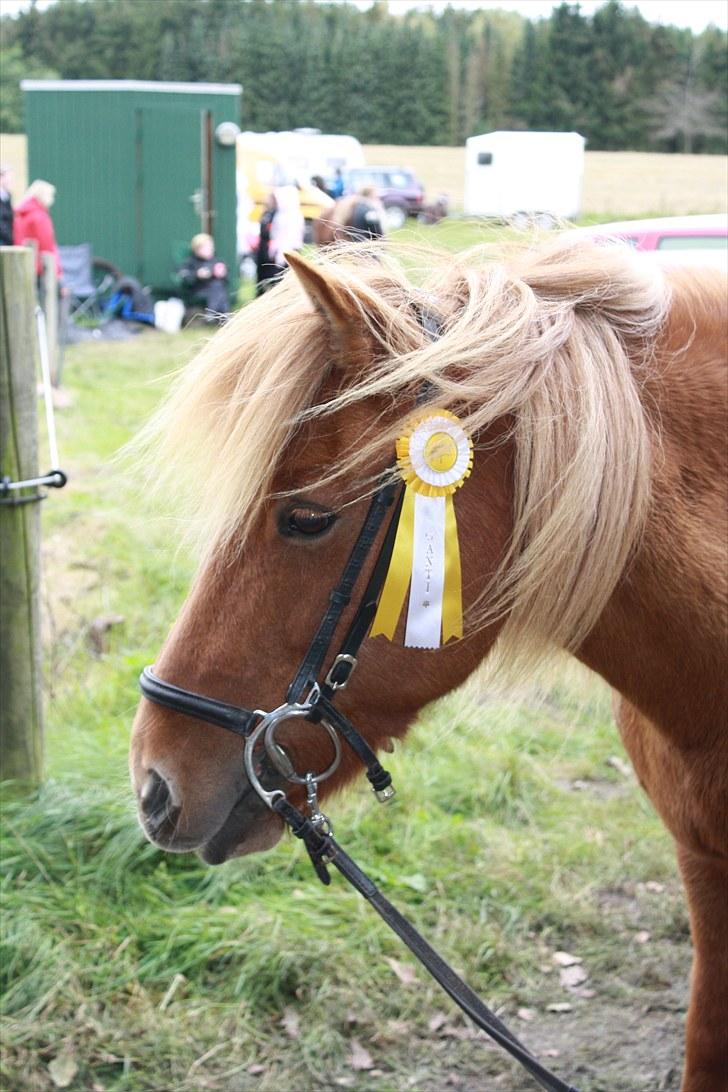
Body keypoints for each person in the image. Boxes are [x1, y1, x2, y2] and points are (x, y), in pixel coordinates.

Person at [255, 185, 304, 296]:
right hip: (276, 254)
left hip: (287, 254)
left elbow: (291, 239)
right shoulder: (279, 215)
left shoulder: (294, 216)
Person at [13, 179, 62, 278]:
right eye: (51, 195)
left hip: (22, 262)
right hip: (40, 267)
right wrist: (57, 269)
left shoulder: (22, 213)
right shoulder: (39, 216)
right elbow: (47, 244)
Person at [177, 233, 230, 316]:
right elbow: (184, 278)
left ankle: (217, 315)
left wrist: (222, 275)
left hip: (216, 292)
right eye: (206, 247)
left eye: (211, 247)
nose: (210, 249)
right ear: (196, 250)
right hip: (197, 292)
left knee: (218, 287)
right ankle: (220, 315)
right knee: (218, 289)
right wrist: (197, 275)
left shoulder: (217, 261)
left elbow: (227, 281)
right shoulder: (190, 262)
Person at [0, 167, 13, 246]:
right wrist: (11, 238)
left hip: (7, 242)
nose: (10, 181)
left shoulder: (7, 196)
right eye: (8, 178)